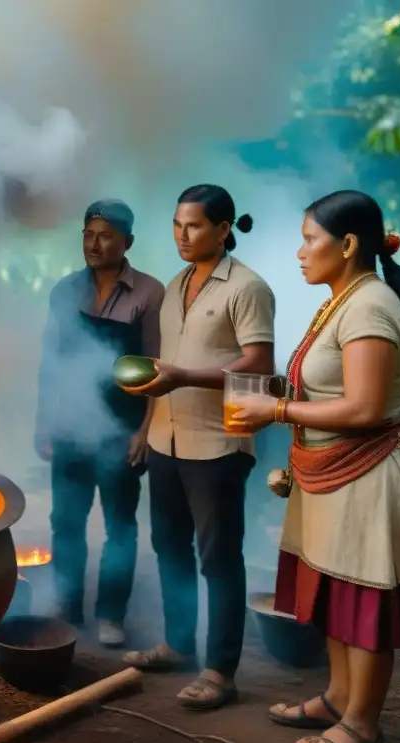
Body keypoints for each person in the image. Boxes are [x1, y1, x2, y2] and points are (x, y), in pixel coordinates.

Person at [231, 191, 400, 743]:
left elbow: (365, 409)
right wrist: (279, 396)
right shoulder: (342, 299)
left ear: (349, 245)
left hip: (368, 474)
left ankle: (362, 725)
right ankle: (337, 699)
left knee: (362, 599)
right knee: (333, 591)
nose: (301, 251)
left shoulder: (370, 306)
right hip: (328, 474)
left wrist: (276, 412)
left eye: (310, 239)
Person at [120, 184, 275, 710]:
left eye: (194, 226)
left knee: (219, 559)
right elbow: (165, 363)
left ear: (224, 228)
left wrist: (184, 376)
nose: (182, 236)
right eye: (177, 225)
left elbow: (258, 364)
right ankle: (178, 645)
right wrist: (146, 418)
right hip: (167, 438)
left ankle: (219, 671)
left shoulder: (247, 288)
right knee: (169, 548)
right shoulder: (175, 283)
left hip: (218, 445)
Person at [34, 199, 165, 648]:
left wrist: (146, 431)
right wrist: (43, 424)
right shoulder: (65, 291)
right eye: (88, 234)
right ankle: (67, 606)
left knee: (120, 526)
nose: (94, 243)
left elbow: (156, 369)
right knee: (64, 521)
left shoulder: (149, 294)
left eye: (106, 235)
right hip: (70, 426)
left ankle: (112, 614)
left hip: (121, 431)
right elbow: (50, 364)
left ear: (127, 241)